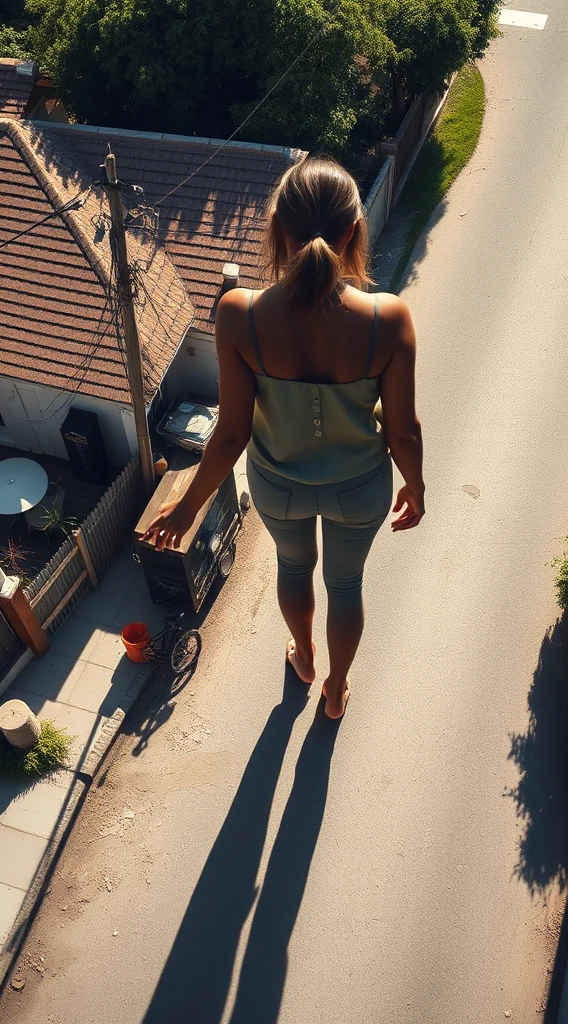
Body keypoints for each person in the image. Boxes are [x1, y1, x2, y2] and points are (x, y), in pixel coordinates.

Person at [141, 155, 424, 719]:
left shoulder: (239, 314)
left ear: (276, 228)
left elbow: (229, 434)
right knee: (347, 586)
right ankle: (336, 692)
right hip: (359, 489)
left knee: (294, 569)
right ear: (353, 232)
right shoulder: (388, 318)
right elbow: (403, 429)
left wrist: (186, 508)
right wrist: (416, 486)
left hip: (280, 487)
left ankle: (304, 654)